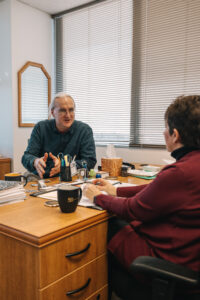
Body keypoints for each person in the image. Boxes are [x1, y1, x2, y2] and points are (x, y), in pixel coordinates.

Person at [83, 95, 200, 299]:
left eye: (165, 128)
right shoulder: (190, 166)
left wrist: (97, 197)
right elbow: (157, 189)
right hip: (190, 254)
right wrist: (115, 190)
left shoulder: (180, 172)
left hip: (174, 262)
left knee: (111, 225)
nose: (163, 133)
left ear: (175, 134)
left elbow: (132, 209)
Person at [22, 93, 97, 178]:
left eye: (71, 110)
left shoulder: (84, 130)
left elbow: (90, 161)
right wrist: (35, 161)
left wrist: (65, 166)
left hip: (72, 180)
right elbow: (26, 157)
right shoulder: (40, 128)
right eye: (62, 110)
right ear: (53, 112)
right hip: (44, 180)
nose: (68, 115)